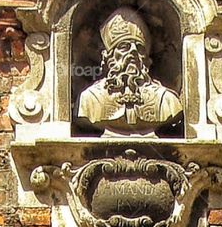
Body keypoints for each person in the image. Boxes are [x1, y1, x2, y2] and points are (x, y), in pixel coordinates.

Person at [77, 7, 182, 136]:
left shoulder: (166, 100)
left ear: (146, 58)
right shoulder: (90, 99)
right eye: (124, 47)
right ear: (108, 57)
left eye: (139, 48)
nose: (133, 52)